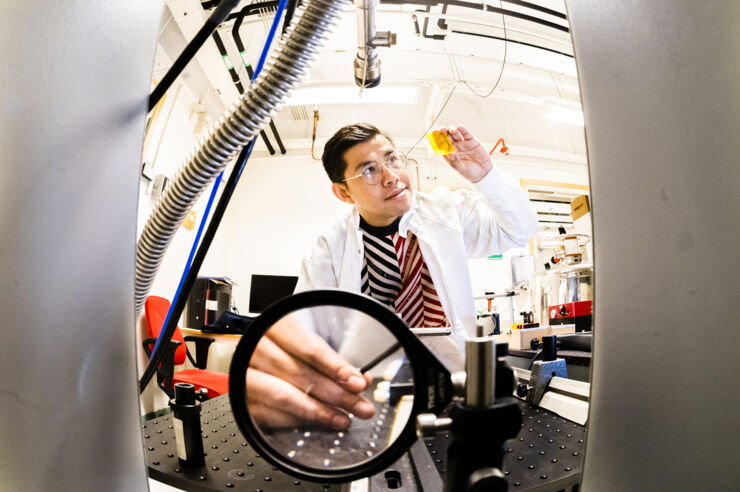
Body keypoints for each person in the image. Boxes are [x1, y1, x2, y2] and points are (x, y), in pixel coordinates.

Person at [247, 123, 537, 429]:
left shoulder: (446, 210)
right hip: (372, 395)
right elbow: (306, 329)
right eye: (369, 170)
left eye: (392, 159)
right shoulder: (328, 248)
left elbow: (519, 231)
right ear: (343, 192)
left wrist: (486, 176)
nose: (391, 177)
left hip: (454, 385)